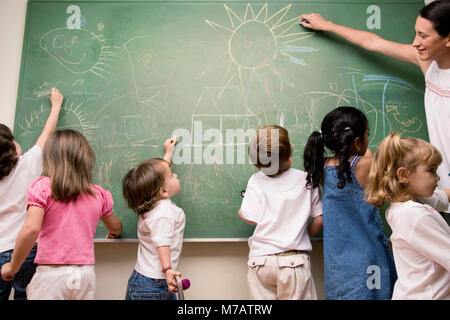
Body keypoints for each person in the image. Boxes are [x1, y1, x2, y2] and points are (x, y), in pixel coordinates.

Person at [300, 0, 450, 197]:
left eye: (423, 36)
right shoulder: (428, 63)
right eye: (416, 33)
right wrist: (326, 25)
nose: (415, 42)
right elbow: (373, 42)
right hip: (441, 185)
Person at [0, 129, 123, 300]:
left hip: (51, 274)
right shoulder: (99, 194)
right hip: (84, 275)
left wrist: (13, 267)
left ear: (50, 158)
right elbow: (115, 226)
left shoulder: (42, 188)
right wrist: (116, 231)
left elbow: (30, 229)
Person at [303, 106, 397, 299]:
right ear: (356, 142)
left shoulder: (322, 166)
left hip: (338, 264)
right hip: (368, 258)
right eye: (367, 135)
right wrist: (360, 147)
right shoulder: (363, 165)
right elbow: (369, 153)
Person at [239, 125, 323, 300]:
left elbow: (248, 216)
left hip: (261, 261)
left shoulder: (256, 180)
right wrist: (304, 234)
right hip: (294, 263)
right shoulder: (307, 179)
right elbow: (319, 219)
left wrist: (243, 208)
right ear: (288, 155)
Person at [365, 133, 450, 299]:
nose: (437, 177)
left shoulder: (403, 206)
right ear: (403, 175)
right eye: (431, 170)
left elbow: (440, 198)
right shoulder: (415, 216)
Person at [0, 88, 62, 300]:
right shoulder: (26, 165)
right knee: (25, 296)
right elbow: (46, 133)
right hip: (23, 249)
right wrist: (56, 106)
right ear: (10, 147)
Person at [122, 137, 183, 300]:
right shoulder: (164, 212)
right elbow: (162, 242)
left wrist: (168, 154)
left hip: (148, 282)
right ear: (162, 190)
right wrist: (168, 269)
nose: (175, 175)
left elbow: (159, 176)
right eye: (171, 175)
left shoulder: (154, 204)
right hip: (154, 284)